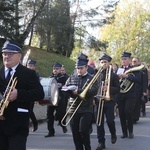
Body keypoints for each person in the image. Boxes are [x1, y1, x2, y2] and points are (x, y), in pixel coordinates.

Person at [0, 40, 44, 150]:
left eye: (11, 54)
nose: (7, 56)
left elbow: (39, 94)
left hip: (18, 125)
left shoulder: (29, 73)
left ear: (19, 55)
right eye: (5, 54)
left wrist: (18, 93)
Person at [65, 53, 98, 150]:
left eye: (81, 68)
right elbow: (66, 88)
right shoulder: (72, 77)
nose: (78, 70)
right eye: (77, 68)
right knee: (75, 133)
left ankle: (87, 147)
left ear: (86, 67)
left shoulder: (91, 78)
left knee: (83, 130)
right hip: (73, 107)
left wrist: (78, 92)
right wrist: (69, 92)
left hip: (86, 108)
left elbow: (93, 91)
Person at [95, 54, 120, 150]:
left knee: (110, 120)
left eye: (105, 62)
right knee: (99, 123)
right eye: (101, 62)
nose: (103, 64)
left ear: (109, 63)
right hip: (98, 100)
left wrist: (108, 88)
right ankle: (101, 142)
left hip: (109, 101)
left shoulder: (113, 75)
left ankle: (113, 133)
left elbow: (118, 89)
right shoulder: (96, 74)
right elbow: (93, 87)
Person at [116, 52, 141, 139]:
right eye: (122, 59)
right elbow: (115, 82)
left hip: (130, 94)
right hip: (120, 94)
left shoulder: (134, 69)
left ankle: (130, 131)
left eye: (125, 59)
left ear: (129, 60)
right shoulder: (118, 70)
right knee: (122, 114)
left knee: (128, 112)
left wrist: (127, 76)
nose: (123, 61)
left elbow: (138, 80)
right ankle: (124, 132)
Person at [45, 62, 68, 137]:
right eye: (54, 69)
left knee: (61, 114)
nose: (55, 70)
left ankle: (62, 124)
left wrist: (62, 85)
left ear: (60, 69)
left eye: (57, 69)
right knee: (49, 116)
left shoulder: (64, 78)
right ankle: (51, 131)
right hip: (51, 99)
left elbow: (68, 87)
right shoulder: (50, 78)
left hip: (60, 99)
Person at [131, 57, 148, 122]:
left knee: (137, 104)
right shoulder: (131, 68)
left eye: (135, 61)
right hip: (132, 89)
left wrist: (144, 91)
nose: (133, 63)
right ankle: (132, 117)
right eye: (133, 61)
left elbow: (145, 81)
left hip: (139, 89)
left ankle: (135, 118)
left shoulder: (143, 69)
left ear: (139, 62)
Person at [27, 59, 39, 132]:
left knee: (29, 111)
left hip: (31, 95)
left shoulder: (36, 75)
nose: (30, 67)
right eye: (29, 66)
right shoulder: (23, 73)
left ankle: (35, 123)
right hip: (24, 95)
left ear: (34, 67)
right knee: (25, 111)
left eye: (32, 66)